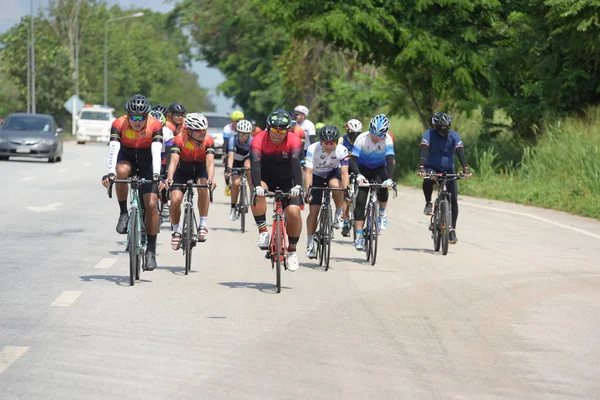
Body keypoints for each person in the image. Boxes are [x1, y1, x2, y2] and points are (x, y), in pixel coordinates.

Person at [101, 94, 165, 270]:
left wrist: (157, 174)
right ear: (127, 115)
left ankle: (151, 250)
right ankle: (123, 213)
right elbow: (113, 149)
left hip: (147, 161)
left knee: (151, 204)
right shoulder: (118, 123)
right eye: (134, 117)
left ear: (147, 116)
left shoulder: (155, 125)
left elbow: (156, 151)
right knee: (120, 172)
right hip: (126, 157)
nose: (137, 121)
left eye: (141, 117)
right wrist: (110, 173)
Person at [250, 109, 303, 271]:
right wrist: (257, 186)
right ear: (268, 128)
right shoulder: (258, 140)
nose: (278, 134)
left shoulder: (294, 140)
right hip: (267, 177)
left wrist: (298, 186)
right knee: (258, 193)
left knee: (293, 212)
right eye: (274, 130)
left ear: (288, 130)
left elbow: (295, 163)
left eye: (282, 131)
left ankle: (292, 250)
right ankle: (263, 231)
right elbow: (255, 164)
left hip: (288, 180)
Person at [417, 112, 472, 244]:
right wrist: (421, 167)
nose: (444, 130)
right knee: (428, 179)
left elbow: (460, 153)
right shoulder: (428, 134)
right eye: (441, 127)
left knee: (453, 199)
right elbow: (424, 150)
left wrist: (466, 169)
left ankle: (452, 230)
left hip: (448, 170)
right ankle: (428, 203)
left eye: (446, 127)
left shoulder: (454, 136)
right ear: (436, 126)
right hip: (432, 167)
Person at [166, 113, 217, 248]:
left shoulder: (209, 140)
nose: (202, 133)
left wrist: (211, 180)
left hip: (200, 170)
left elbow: (210, 162)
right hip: (182, 170)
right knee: (175, 200)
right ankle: (176, 231)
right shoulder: (179, 139)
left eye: (204, 130)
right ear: (189, 131)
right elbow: (173, 161)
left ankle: (202, 225)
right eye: (199, 131)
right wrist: (170, 177)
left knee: (203, 187)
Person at [349, 114, 395, 251]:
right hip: (363, 169)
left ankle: (381, 214)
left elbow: (390, 159)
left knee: (383, 188)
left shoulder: (387, 141)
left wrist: (390, 178)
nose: (375, 137)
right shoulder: (361, 139)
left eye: (379, 135)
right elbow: (353, 160)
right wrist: (358, 175)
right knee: (361, 202)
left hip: (379, 169)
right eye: (373, 133)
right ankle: (358, 236)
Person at [304, 125, 350, 258]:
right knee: (313, 211)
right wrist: (308, 192)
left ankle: (338, 213)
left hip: (332, 174)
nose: (329, 146)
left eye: (332, 143)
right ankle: (310, 243)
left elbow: (345, 173)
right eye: (326, 143)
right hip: (317, 176)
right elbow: (308, 173)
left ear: (337, 142)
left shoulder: (342, 150)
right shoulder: (313, 149)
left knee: (335, 185)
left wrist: (346, 191)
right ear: (320, 141)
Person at [339, 118, 363, 236]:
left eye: (357, 134)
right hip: (345, 169)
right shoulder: (341, 141)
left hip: (358, 168)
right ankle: (345, 221)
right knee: (346, 196)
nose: (355, 137)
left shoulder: (363, 140)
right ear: (348, 132)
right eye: (352, 134)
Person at [227, 119, 253, 221]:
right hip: (235, 161)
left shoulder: (252, 140)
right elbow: (231, 156)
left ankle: (253, 196)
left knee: (249, 167)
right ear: (238, 132)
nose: (243, 137)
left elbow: (254, 157)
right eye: (241, 134)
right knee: (236, 183)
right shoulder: (232, 140)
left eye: (246, 134)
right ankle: (233, 207)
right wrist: (229, 168)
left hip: (246, 159)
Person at [150, 109, 174, 218]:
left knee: (164, 177)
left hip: (164, 155)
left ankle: (164, 202)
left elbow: (169, 154)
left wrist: (168, 171)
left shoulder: (167, 132)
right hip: (149, 155)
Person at [222, 110, 245, 194]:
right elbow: (226, 143)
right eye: (237, 121)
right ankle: (228, 184)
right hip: (230, 148)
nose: (239, 122)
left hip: (241, 149)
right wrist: (225, 154)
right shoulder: (227, 128)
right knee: (227, 167)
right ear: (233, 121)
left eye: (241, 120)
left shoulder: (244, 127)